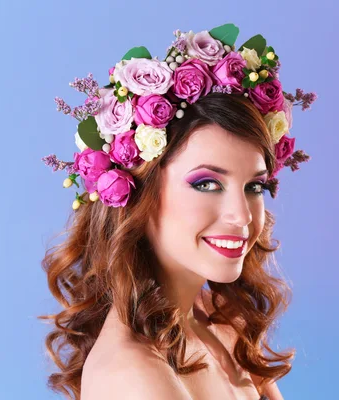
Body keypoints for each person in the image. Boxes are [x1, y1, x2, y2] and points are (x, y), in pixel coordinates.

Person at [39, 24, 317, 400]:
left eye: (255, 186)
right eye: (206, 184)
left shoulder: (220, 320)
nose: (243, 216)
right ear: (138, 192)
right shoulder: (133, 377)